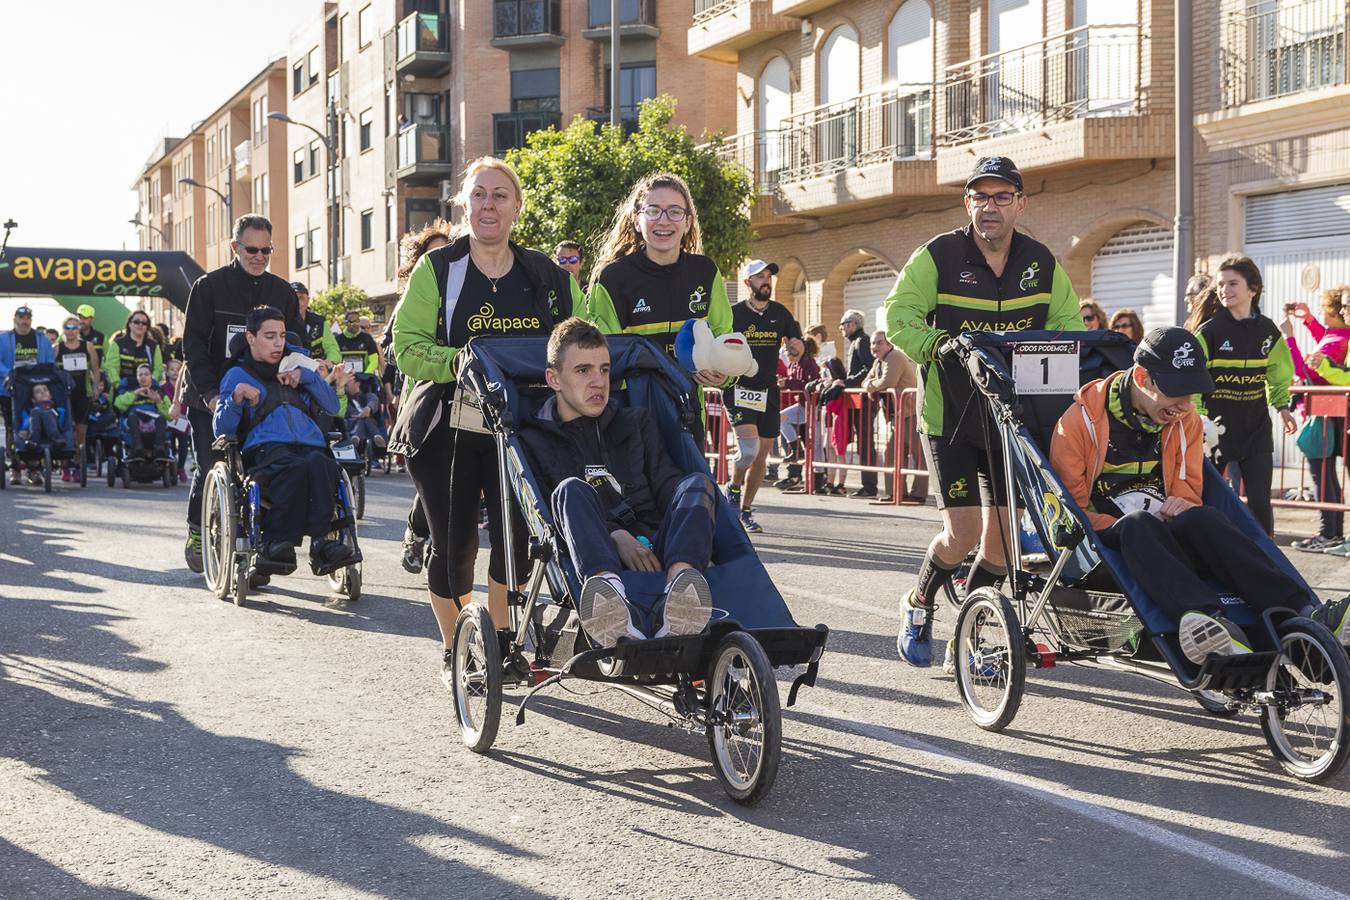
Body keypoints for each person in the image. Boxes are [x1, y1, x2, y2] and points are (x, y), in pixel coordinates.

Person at [390, 156, 581, 685]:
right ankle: (458, 647)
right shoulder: (439, 270)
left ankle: (498, 644)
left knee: (517, 537)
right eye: (479, 195)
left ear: (517, 207)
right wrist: (462, 363)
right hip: (448, 422)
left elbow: (582, 339)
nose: (489, 205)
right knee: (454, 547)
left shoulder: (545, 274)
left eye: (500, 195)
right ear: (463, 205)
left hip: (522, 426)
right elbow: (405, 347)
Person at [1051, 326, 1349, 659]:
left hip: (1164, 529)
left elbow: (1188, 487)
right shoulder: (1078, 423)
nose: (1184, 404)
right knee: (1138, 524)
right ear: (1141, 377)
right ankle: (1206, 622)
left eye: (1191, 393)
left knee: (1205, 519)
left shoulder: (1186, 420)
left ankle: (1306, 613)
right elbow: (1072, 510)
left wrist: (1183, 504)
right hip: (1108, 539)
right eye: (1175, 392)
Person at [886, 155, 1080, 667]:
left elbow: (1067, 326)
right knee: (963, 533)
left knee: (1001, 547)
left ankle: (966, 634)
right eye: (979, 196)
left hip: (1009, 421)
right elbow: (898, 318)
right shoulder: (938, 256)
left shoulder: (1041, 262)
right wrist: (940, 343)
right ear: (966, 202)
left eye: (1000, 197)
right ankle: (919, 601)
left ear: (1020, 202)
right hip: (950, 418)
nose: (988, 207)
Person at [517, 318, 715, 643]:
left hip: (658, 549)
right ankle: (608, 601)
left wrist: (694, 523)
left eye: (605, 370)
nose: (598, 382)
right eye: (583, 371)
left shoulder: (635, 422)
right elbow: (552, 518)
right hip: (591, 551)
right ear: (554, 379)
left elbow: (668, 485)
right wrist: (616, 537)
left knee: (696, 484)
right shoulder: (535, 438)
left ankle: (683, 595)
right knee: (570, 490)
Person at [182, 214, 305, 573]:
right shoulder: (208, 287)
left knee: (260, 469)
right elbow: (193, 347)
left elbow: (296, 343)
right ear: (234, 247)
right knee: (212, 465)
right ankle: (196, 529)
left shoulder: (282, 291)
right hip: (211, 396)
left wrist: (295, 371)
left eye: (266, 250)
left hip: (261, 398)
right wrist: (210, 395)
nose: (258, 256)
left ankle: (259, 545)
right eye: (251, 249)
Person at [215, 305, 355, 574]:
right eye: (270, 336)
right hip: (266, 447)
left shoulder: (299, 367)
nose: (278, 343)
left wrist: (308, 378)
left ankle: (321, 544)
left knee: (322, 465)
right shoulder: (236, 375)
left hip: (309, 443)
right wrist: (236, 398)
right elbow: (222, 427)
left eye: (281, 335)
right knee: (294, 467)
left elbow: (331, 406)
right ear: (251, 338)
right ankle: (278, 542)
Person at [1186, 256, 1295, 537]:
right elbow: (1195, 379)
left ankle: (1269, 562)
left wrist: (1282, 406)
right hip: (1215, 432)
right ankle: (1211, 555)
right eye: (1221, 284)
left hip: (1256, 429)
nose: (1225, 290)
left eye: (1233, 283)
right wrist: (1198, 417)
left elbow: (1279, 373)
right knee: (1209, 500)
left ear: (1253, 288)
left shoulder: (1269, 332)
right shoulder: (1208, 332)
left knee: (1260, 502)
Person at [586, 172, 733, 372]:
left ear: (687, 222)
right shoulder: (612, 279)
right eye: (653, 211)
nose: (664, 221)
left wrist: (723, 374)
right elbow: (602, 359)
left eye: (674, 212)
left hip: (690, 403)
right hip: (631, 402)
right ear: (637, 221)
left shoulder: (705, 272)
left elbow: (724, 340)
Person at [393, 219, 455, 575]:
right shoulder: (410, 301)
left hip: (466, 399)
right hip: (421, 399)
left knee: (459, 481)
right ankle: (420, 533)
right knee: (434, 480)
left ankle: (430, 535)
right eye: (435, 254)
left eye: (449, 252)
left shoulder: (468, 290)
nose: (443, 260)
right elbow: (394, 346)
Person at [724, 259, 801, 532]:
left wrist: (795, 349)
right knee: (748, 451)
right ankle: (733, 489)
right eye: (759, 277)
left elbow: (797, 344)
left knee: (761, 456)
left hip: (768, 391)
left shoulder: (780, 313)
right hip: (739, 388)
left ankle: (745, 510)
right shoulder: (732, 314)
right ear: (747, 283)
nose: (766, 281)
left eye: (768, 276)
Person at [1285, 287, 1350, 553]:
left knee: (1322, 475)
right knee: (1326, 476)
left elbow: (1306, 370)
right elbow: (1327, 339)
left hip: (1325, 414)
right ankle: (1332, 532)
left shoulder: (1340, 337)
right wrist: (1309, 321)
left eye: (1324, 309)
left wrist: (1289, 339)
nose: (1342, 312)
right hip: (1327, 413)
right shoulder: (1338, 334)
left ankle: (1329, 533)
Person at [861, 329, 919, 502]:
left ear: (889, 344)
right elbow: (865, 381)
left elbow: (888, 382)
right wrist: (870, 385)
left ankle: (918, 494)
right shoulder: (879, 361)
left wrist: (871, 386)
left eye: (879, 343)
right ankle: (896, 492)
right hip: (897, 414)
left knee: (919, 456)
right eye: (873, 343)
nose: (874, 346)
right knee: (892, 454)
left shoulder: (895, 357)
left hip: (911, 412)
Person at [1, 305, 56, 464]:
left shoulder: (42, 339)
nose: (24, 321)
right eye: (21, 318)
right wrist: (9, 373)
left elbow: (49, 363)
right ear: (14, 319)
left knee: (36, 423)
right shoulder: (4, 339)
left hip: (36, 389)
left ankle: (34, 466)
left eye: (27, 318)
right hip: (11, 389)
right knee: (13, 426)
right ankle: (15, 464)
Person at [54, 315, 102, 479]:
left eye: (74, 328)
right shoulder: (58, 348)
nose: (71, 331)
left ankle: (78, 462)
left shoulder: (87, 346)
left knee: (81, 430)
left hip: (82, 393)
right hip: (64, 395)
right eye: (67, 328)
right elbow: (52, 371)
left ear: (79, 330)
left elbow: (95, 369)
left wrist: (96, 387)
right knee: (67, 427)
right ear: (63, 330)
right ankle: (65, 464)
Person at [838, 309, 877, 497]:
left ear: (853, 324)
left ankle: (870, 485)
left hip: (864, 400)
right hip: (857, 399)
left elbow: (868, 368)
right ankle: (867, 485)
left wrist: (847, 382)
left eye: (843, 324)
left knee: (865, 443)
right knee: (863, 443)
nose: (841, 328)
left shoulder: (862, 341)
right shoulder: (856, 342)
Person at [775, 336, 819, 490]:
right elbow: (794, 382)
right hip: (801, 406)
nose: (790, 349)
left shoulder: (809, 363)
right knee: (781, 419)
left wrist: (787, 383)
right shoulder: (794, 364)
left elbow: (811, 383)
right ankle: (796, 453)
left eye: (795, 345)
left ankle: (816, 479)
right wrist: (784, 382)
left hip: (811, 407)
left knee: (815, 445)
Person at [114, 363, 172, 461]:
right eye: (140, 375)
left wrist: (158, 401)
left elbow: (169, 415)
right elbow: (118, 404)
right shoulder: (130, 390)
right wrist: (134, 394)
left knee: (161, 419)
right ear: (136, 377)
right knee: (132, 416)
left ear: (151, 376)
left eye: (146, 374)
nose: (143, 377)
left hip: (153, 422)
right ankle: (138, 448)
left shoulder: (159, 392)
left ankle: (159, 448)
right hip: (135, 421)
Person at [103, 310, 164, 390]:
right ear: (129, 324)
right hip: (122, 391)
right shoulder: (118, 344)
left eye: (144, 323)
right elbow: (111, 367)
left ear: (147, 327)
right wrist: (118, 384)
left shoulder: (153, 346)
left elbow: (158, 369)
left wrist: (150, 384)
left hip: (147, 390)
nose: (140, 325)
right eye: (136, 322)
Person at [292, 282, 341, 366]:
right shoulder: (281, 322)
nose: (297, 302)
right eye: (293, 298)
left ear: (308, 300)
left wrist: (329, 362)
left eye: (301, 298)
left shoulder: (320, 322)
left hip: (318, 371)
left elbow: (332, 348)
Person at [336, 310, 381, 374]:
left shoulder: (367, 338)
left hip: (365, 378)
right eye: (351, 321)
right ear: (346, 323)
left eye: (357, 321)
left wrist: (366, 375)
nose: (355, 324)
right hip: (344, 377)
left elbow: (374, 360)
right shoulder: (338, 339)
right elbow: (335, 361)